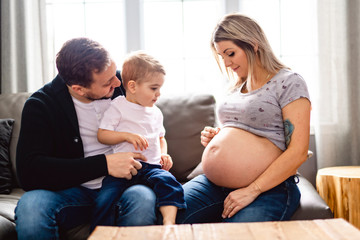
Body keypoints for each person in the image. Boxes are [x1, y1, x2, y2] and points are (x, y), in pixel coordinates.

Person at [15, 38, 158, 240]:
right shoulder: (41, 105)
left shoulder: (124, 85)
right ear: (78, 89)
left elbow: (154, 121)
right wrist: (104, 164)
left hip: (125, 187)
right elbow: (29, 172)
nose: (117, 83)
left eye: (114, 74)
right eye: (108, 83)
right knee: (32, 205)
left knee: (143, 199)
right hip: (74, 193)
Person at [176, 13, 311, 223]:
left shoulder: (289, 82)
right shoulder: (235, 86)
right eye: (222, 56)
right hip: (213, 185)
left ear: (252, 45)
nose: (227, 63)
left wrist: (252, 190)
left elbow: (298, 151)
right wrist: (217, 139)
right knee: (166, 212)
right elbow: (242, 133)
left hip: (268, 188)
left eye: (231, 53)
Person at [91, 51, 185, 230]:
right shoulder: (117, 106)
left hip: (151, 168)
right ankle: (99, 234)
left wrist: (164, 154)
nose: (158, 94)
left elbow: (161, 138)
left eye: (160, 88)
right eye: (153, 88)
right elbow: (102, 134)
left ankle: (169, 223)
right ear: (133, 87)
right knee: (104, 199)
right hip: (123, 169)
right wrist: (127, 135)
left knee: (170, 183)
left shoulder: (156, 112)